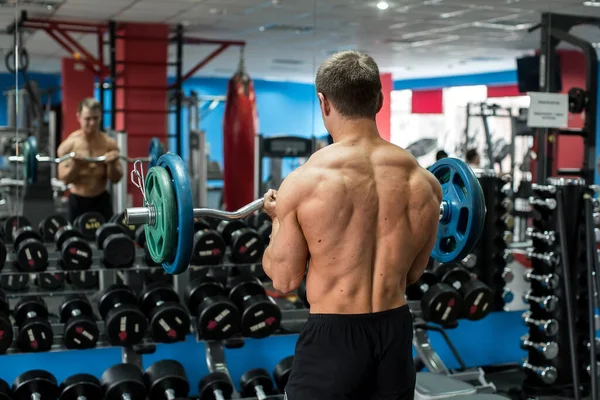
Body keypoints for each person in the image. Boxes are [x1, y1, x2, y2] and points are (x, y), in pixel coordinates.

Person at [261, 51, 442, 400]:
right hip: (395, 330)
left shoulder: (305, 182)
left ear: (323, 102)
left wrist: (278, 220)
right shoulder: (424, 182)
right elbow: (414, 273)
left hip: (334, 337)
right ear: (379, 99)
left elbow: (283, 279)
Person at [57, 98, 123, 223]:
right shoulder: (69, 145)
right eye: (87, 119)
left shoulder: (109, 144)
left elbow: (116, 179)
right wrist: (76, 165)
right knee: (75, 241)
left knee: (107, 239)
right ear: (79, 117)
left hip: (101, 201)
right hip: (77, 201)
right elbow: (64, 179)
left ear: (101, 117)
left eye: (95, 118)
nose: (92, 123)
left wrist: (112, 164)